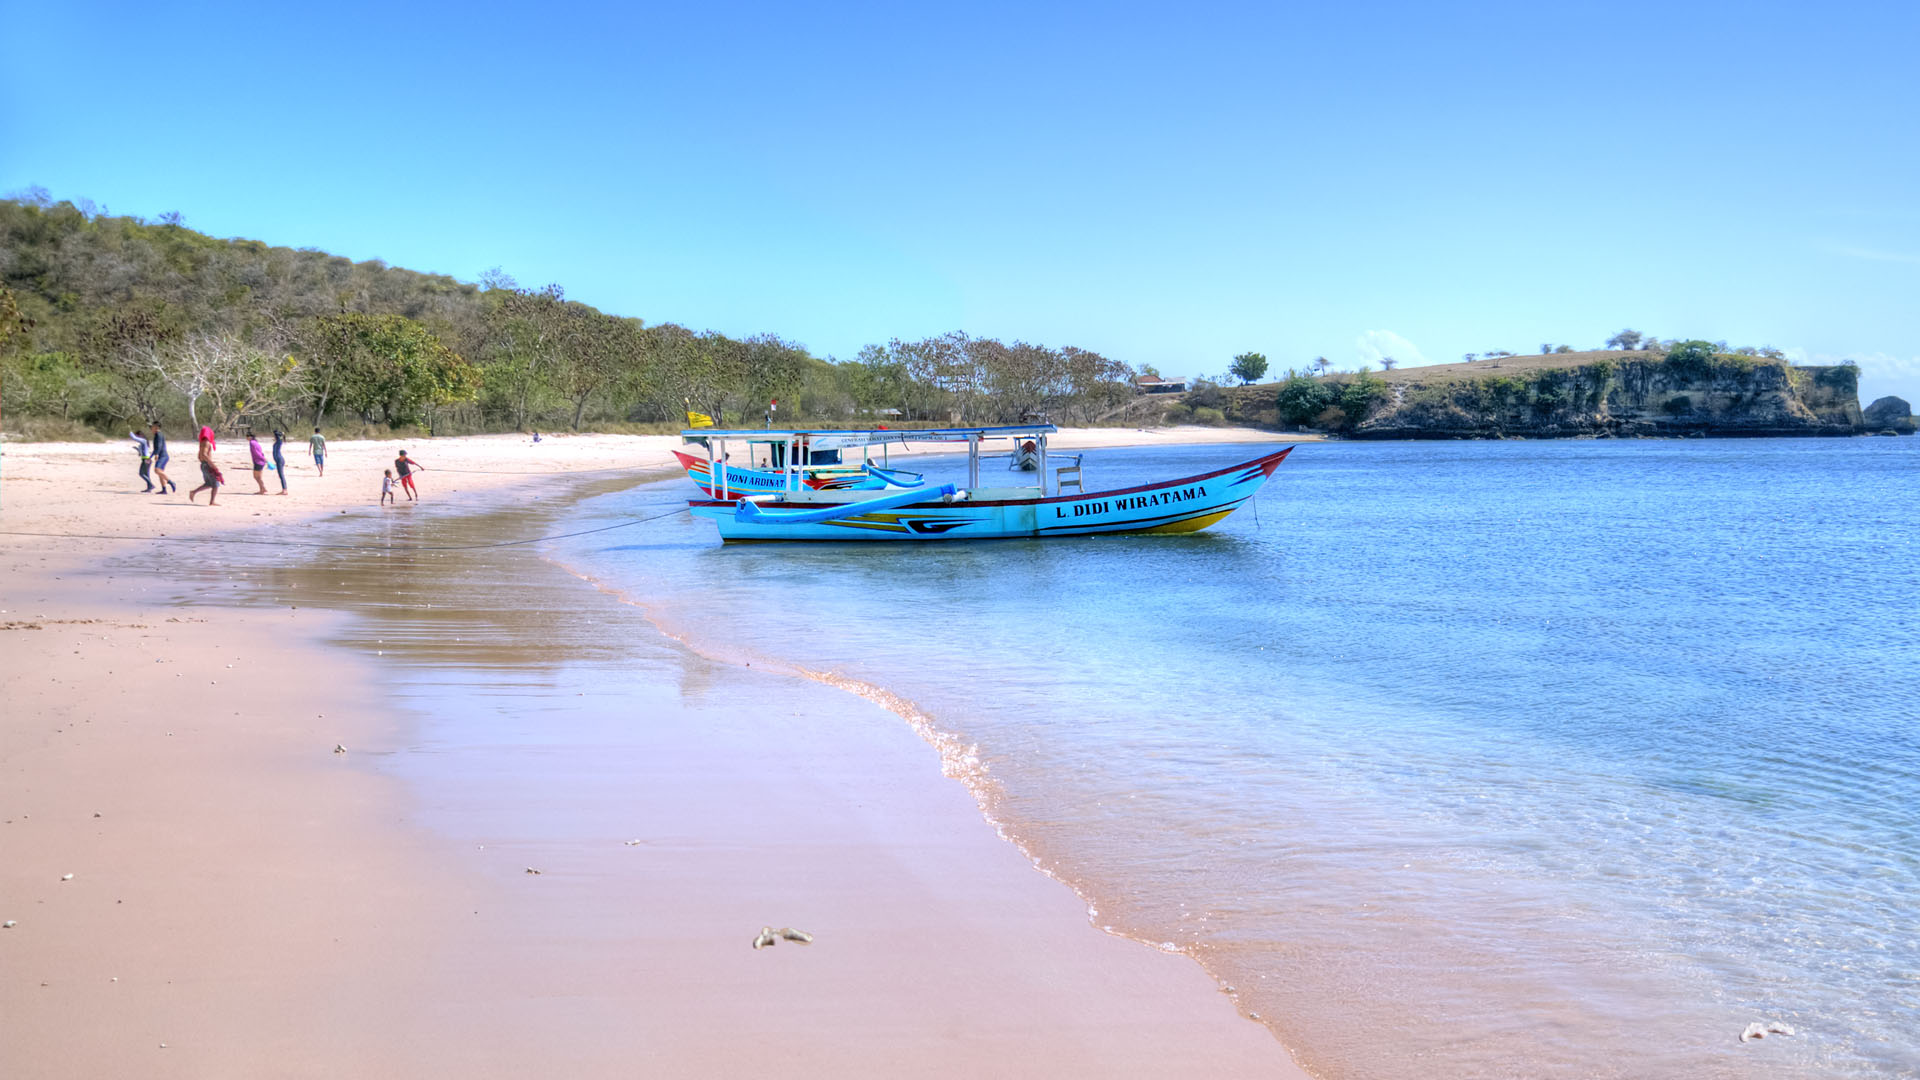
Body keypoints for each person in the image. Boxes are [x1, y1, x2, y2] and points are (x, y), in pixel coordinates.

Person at [188, 425, 222, 505]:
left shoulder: (202, 443)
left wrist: (203, 462)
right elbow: (204, 454)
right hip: (207, 465)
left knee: (209, 483)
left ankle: (193, 492)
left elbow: (199, 456)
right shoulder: (206, 443)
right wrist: (213, 465)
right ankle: (212, 501)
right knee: (216, 483)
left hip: (204, 464)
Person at [149, 421, 176, 494]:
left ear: (156, 427)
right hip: (162, 456)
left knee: (157, 470)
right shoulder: (157, 435)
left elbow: (159, 445)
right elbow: (155, 448)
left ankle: (171, 482)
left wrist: (157, 454)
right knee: (160, 473)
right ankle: (164, 490)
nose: (151, 428)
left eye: (152, 426)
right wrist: (150, 456)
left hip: (163, 456)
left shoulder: (158, 434)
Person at [270, 430, 289, 494]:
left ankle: (285, 490)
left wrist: (281, 433)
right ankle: (284, 489)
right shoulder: (277, 442)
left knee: (281, 475)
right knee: (280, 475)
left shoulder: (279, 442)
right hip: (279, 460)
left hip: (279, 460)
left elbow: (280, 436)